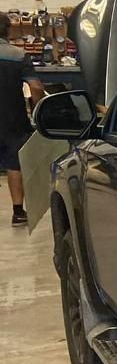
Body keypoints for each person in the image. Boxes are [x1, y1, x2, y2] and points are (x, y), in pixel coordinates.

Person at [0, 14, 44, 226]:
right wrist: (36, 112)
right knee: (13, 163)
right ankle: (18, 212)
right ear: (8, 30)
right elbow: (36, 87)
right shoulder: (18, 55)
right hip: (12, 118)